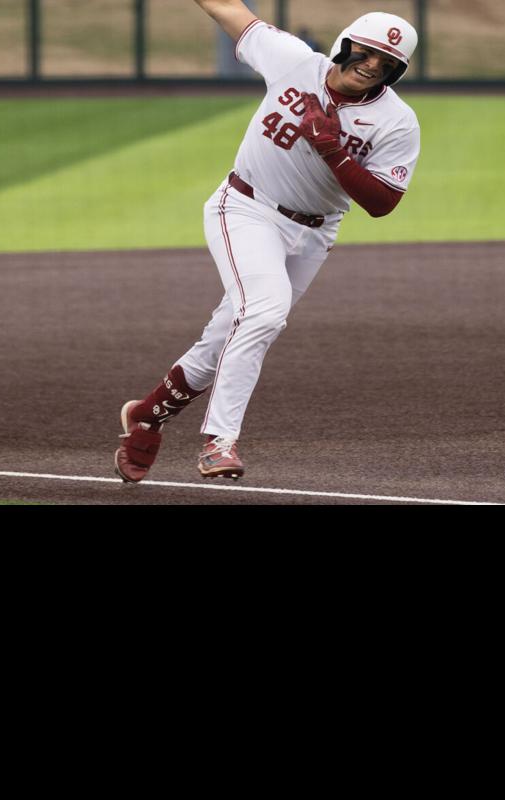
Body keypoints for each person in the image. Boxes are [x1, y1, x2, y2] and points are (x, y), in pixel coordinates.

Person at [113, 1, 420, 482]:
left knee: (228, 334)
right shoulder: (294, 60)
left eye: (388, 64)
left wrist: (332, 149)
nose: (372, 65)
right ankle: (220, 442)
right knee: (264, 313)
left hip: (316, 232)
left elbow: (383, 202)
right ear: (345, 43)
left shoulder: (397, 121)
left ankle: (148, 416)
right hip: (245, 207)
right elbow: (229, 10)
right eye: (367, 51)